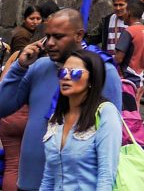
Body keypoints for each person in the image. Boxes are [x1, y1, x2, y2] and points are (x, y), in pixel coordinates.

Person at [0, 9, 123, 191]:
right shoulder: (39, 66)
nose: (50, 43)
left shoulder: (102, 72)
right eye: (48, 37)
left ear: (79, 35)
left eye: (58, 37)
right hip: (31, 180)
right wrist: (19, 67)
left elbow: (111, 143)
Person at [37, 48, 118, 191]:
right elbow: (49, 176)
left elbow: (106, 175)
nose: (66, 77)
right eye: (63, 72)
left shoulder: (105, 113)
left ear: (92, 79)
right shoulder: (56, 118)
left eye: (75, 73)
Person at [111, 1, 144, 98]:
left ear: (129, 13)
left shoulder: (129, 31)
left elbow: (119, 58)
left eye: (125, 11)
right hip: (140, 79)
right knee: (135, 111)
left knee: (125, 111)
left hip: (127, 80)